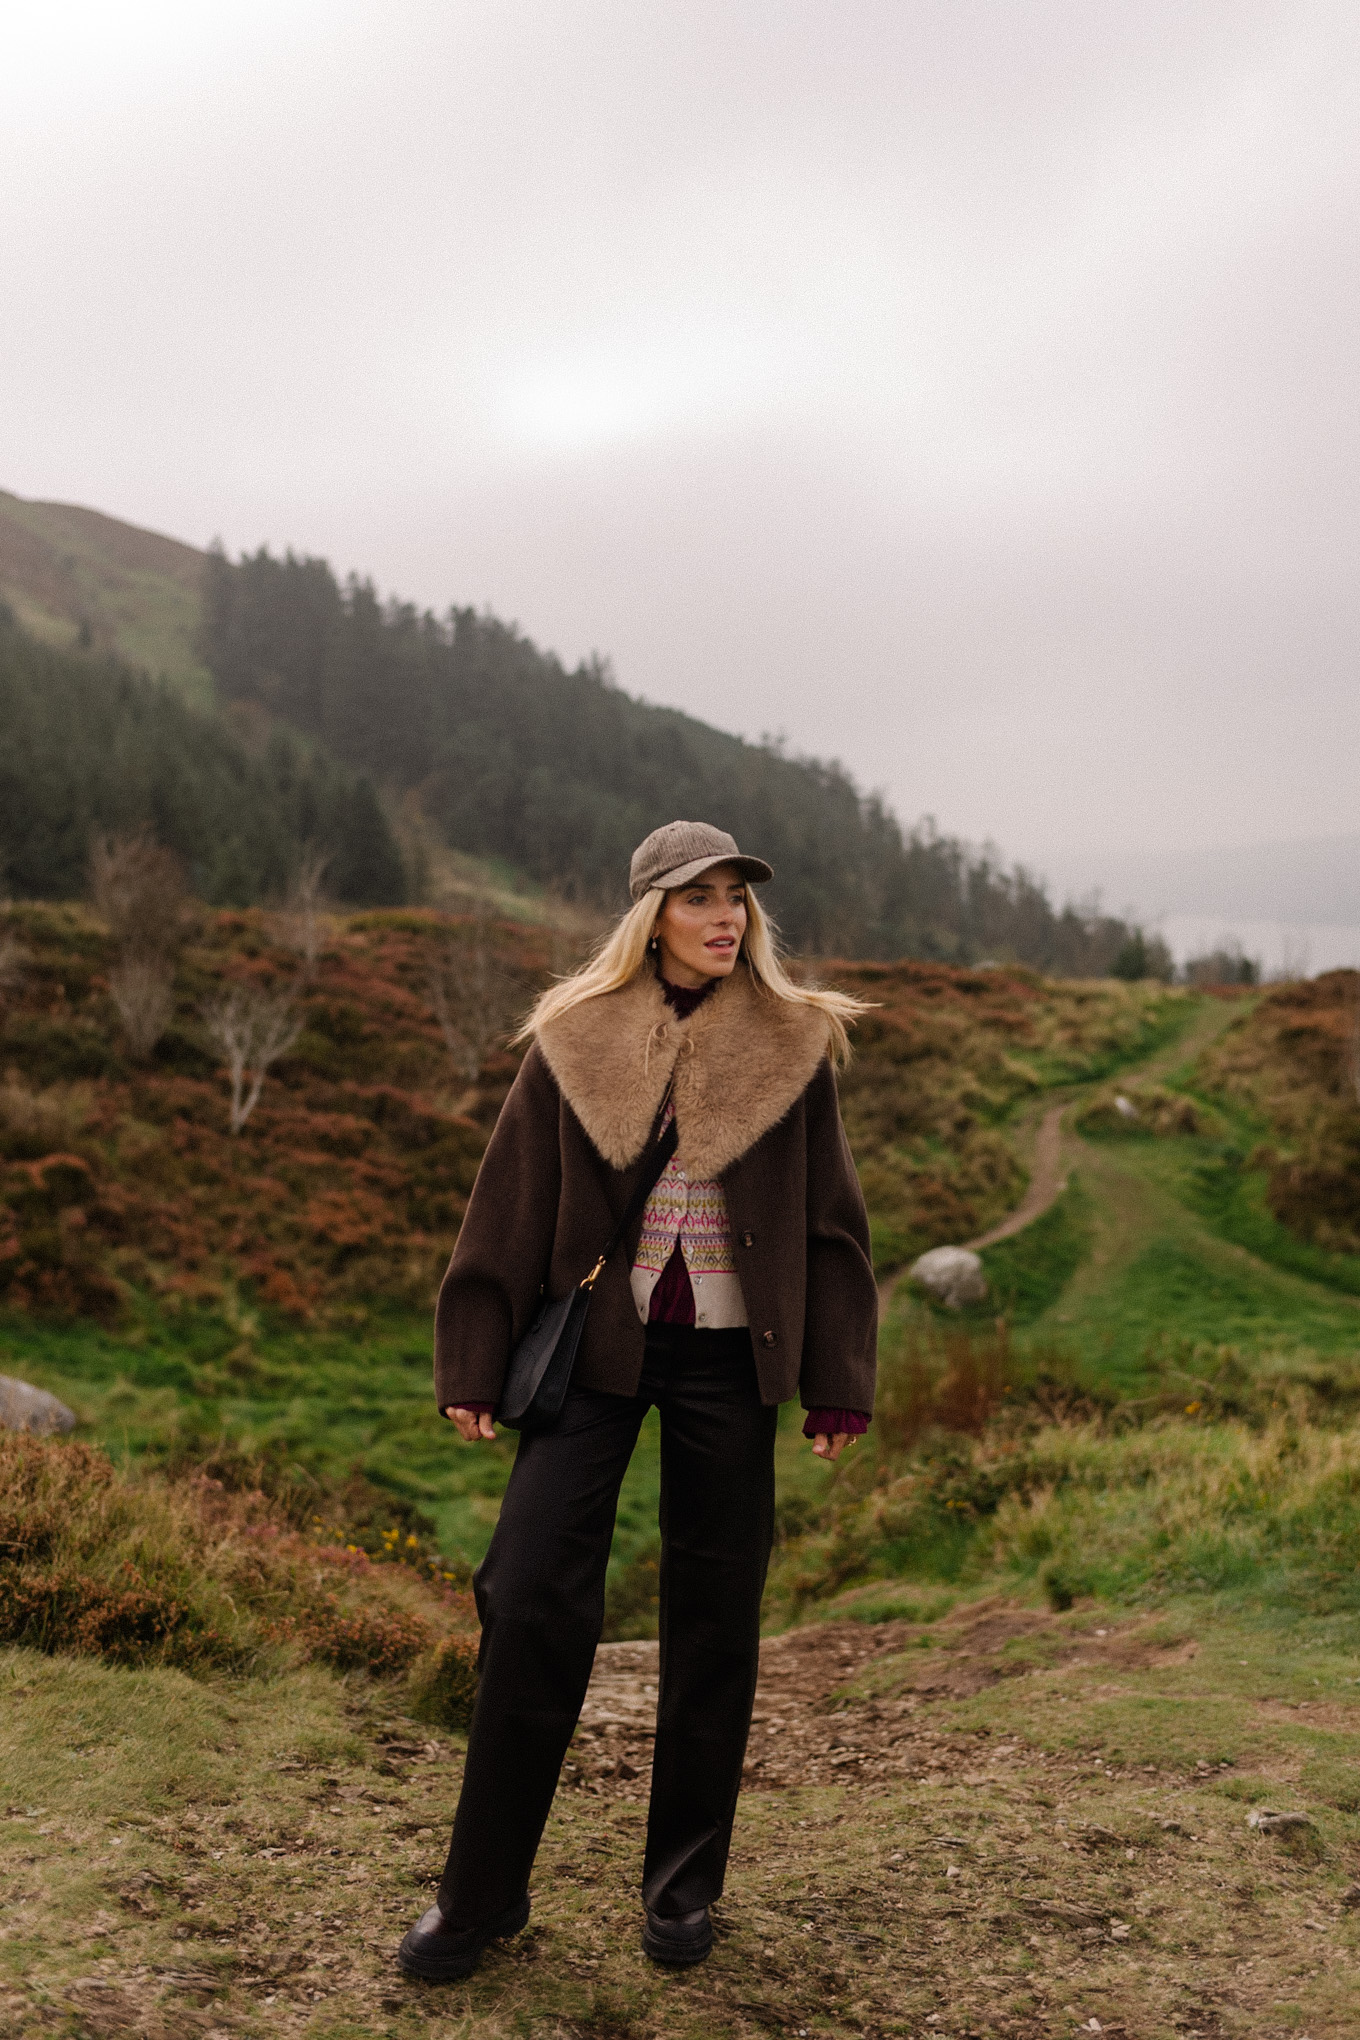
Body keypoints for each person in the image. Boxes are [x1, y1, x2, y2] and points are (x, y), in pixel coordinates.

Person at [398, 819, 878, 1981]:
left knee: (715, 1623)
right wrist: (472, 1355)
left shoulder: (794, 1043)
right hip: (594, 1357)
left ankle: (680, 1891)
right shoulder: (573, 1036)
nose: (725, 917)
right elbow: (507, 1201)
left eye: (736, 899)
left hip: (730, 1361)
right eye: (698, 897)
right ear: (650, 913)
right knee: (525, 1596)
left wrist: (836, 1382)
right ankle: (479, 1899)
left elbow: (830, 1225)